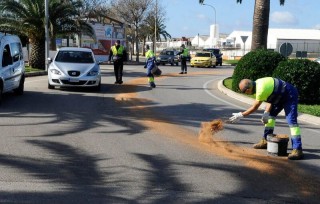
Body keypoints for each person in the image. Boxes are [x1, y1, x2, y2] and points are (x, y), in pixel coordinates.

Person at [229, 77, 303, 160]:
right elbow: (270, 98)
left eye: (244, 91)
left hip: (289, 95)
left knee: (292, 121)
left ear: (248, 88)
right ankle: (266, 141)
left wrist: (241, 115)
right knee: (270, 117)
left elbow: (254, 107)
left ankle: (297, 149)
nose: (245, 93)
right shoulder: (257, 84)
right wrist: (266, 113)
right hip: (278, 97)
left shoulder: (260, 90)